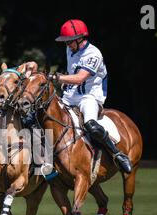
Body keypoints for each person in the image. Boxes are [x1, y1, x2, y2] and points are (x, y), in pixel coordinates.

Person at [50, 19, 132, 174]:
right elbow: (72, 74)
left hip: (90, 97)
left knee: (90, 125)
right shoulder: (70, 50)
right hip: (71, 95)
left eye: (69, 41)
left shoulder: (93, 54)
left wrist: (57, 77)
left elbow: (80, 77)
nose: (66, 44)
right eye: (65, 41)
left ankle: (117, 154)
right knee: (48, 115)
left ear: (80, 38)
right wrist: (65, 82)